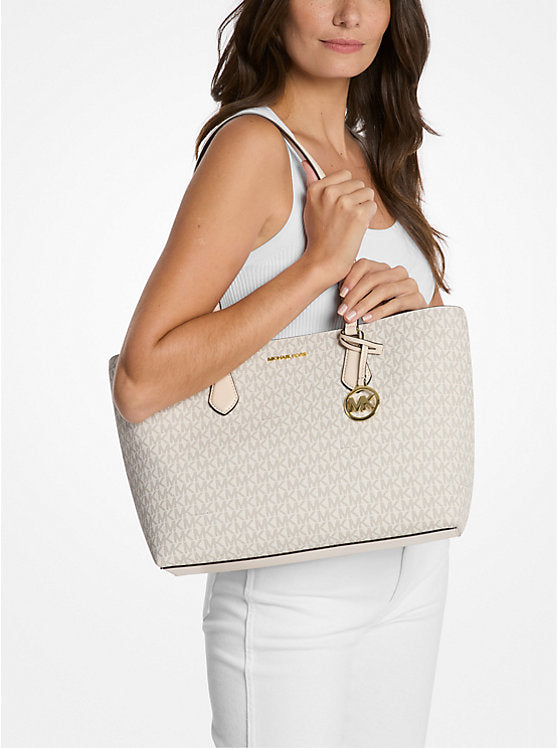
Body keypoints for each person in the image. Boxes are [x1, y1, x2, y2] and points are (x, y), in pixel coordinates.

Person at [113, 0, 454, 745]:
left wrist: (413, 304)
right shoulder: (253, 147)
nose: (347, 13)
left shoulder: (377, 151)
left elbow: (410, 367)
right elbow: (142, 380)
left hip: (413, 555)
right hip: (291, 578)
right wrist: (316, 268)